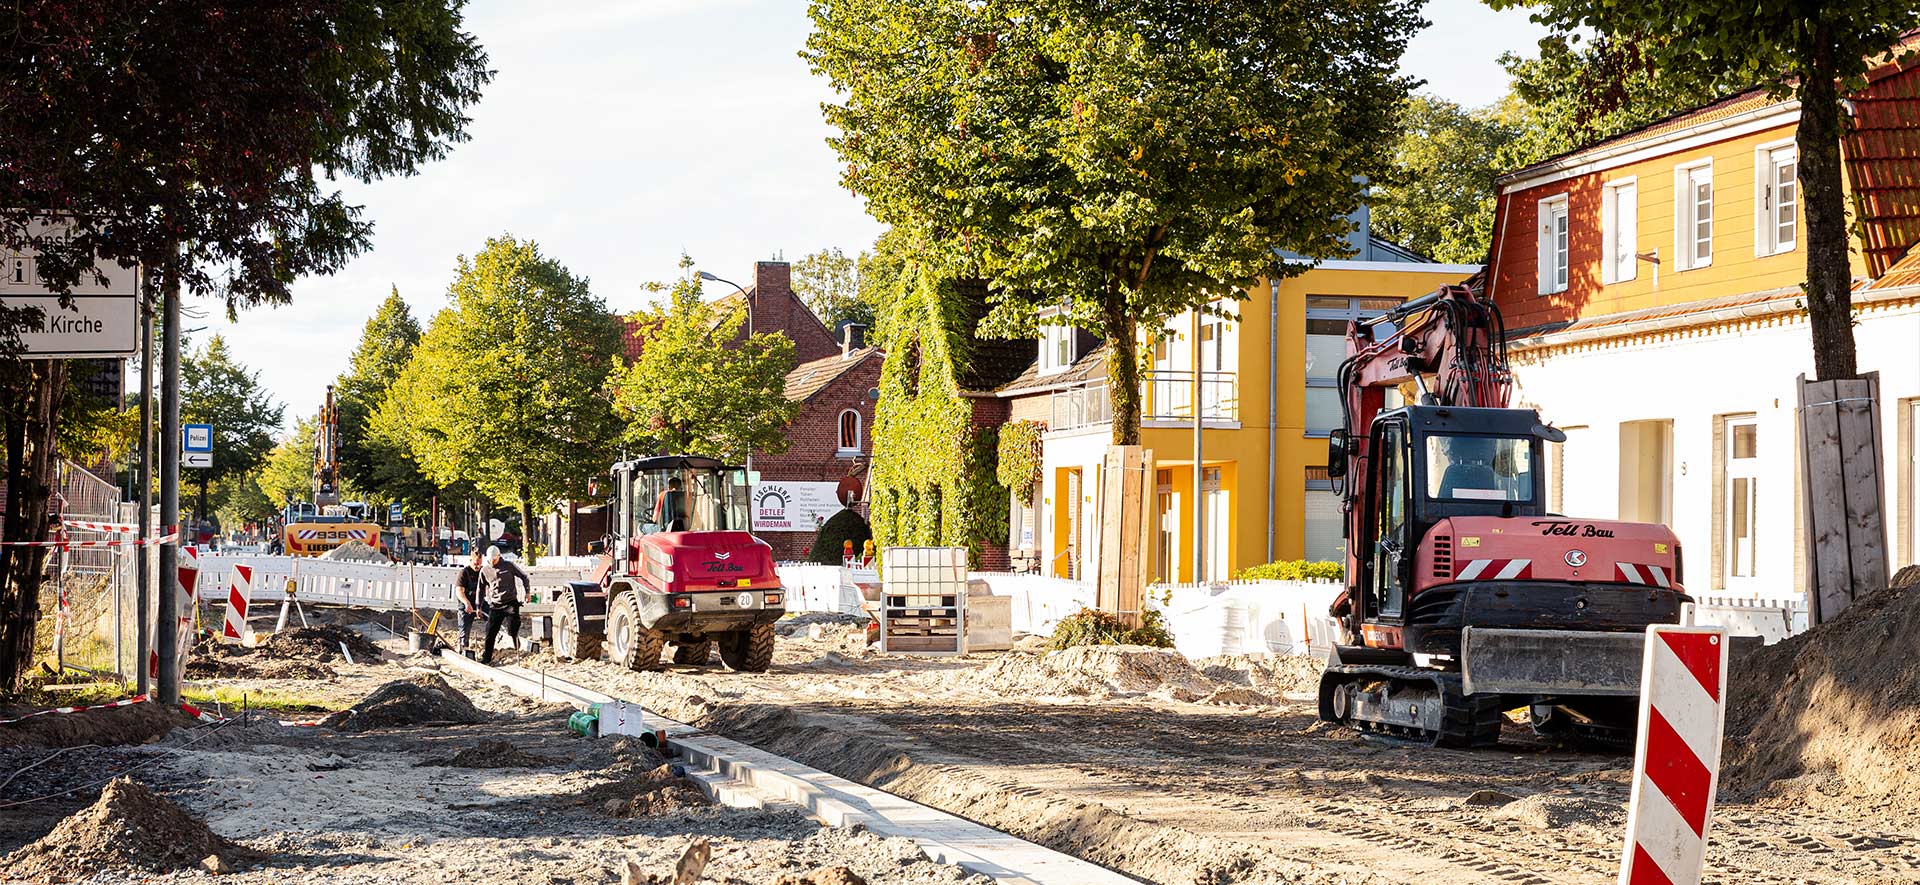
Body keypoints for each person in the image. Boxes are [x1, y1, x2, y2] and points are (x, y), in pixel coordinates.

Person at [479, 545, 533, 665]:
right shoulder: (485, 570)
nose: (492, 561)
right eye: (490, 559)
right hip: (495, 605)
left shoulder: (508, 566)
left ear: (499, 556)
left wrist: (527, 592)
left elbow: (524, 577)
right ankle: (486, 657)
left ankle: (515, 640)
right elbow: (480, 589)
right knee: (490, 632)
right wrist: (479, 606)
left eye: (494, 559)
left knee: (512, 629)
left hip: (510, 603)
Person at [455, 550, 487, 655]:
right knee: (464, 627)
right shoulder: (464, 573)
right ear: (470, 561)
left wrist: (480, 606)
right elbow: (459, 591)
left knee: (493, 618)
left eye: (479, 564)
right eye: (475, 564)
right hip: (466, 602)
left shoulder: (484, 572)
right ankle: (463, 647)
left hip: (480, 602)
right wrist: (466, 603)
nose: (477, 566)